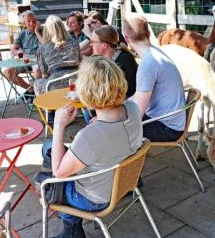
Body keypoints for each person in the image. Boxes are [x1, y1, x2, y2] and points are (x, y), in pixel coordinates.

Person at [41, 56, 144, 237]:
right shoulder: (133, 109)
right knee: (51, 149)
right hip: (123, 184)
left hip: (94, 199)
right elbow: (112, 131)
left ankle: (72, 230)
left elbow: (58, 173)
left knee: (49, 165)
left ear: (86, 92)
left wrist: (58, 125)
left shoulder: (90, 137)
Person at [122, 14, 186, 141]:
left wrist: (109, 121)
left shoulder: (148, 64)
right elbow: (137, 96)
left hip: (166, 128)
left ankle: (128, 161)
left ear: (126, 39)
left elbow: (138, 112)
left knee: (113, 132)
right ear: (148, 34)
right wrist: (118, 107)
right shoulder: (156, 53)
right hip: (170, 121)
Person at [34, 15, 81, 95]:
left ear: (46, 30)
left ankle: (47, 106)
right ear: (62, 27)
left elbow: (44, 74)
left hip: (54, 85)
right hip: (76, 83)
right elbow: (80, 62)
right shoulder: (74, 43)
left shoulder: (42, 48)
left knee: (37, 83)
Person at [90, 25, 137, 98]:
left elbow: (129, 91)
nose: (91, 44)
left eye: (93, 42)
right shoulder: (101, 59)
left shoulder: (125, 60)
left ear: (104, 45)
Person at [3, 10, 42, 94]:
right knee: (7, 72)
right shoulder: (22, 34)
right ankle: (31, 89)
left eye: (33, 21)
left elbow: (45, 45)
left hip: (38, 60)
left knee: (38, 71)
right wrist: (19, 54)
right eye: (28, 21)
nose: (31, 23)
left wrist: (37, 31)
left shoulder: (42, 31)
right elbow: (13, 47)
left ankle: (39, 93)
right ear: (24, 23)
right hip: (25, 60)